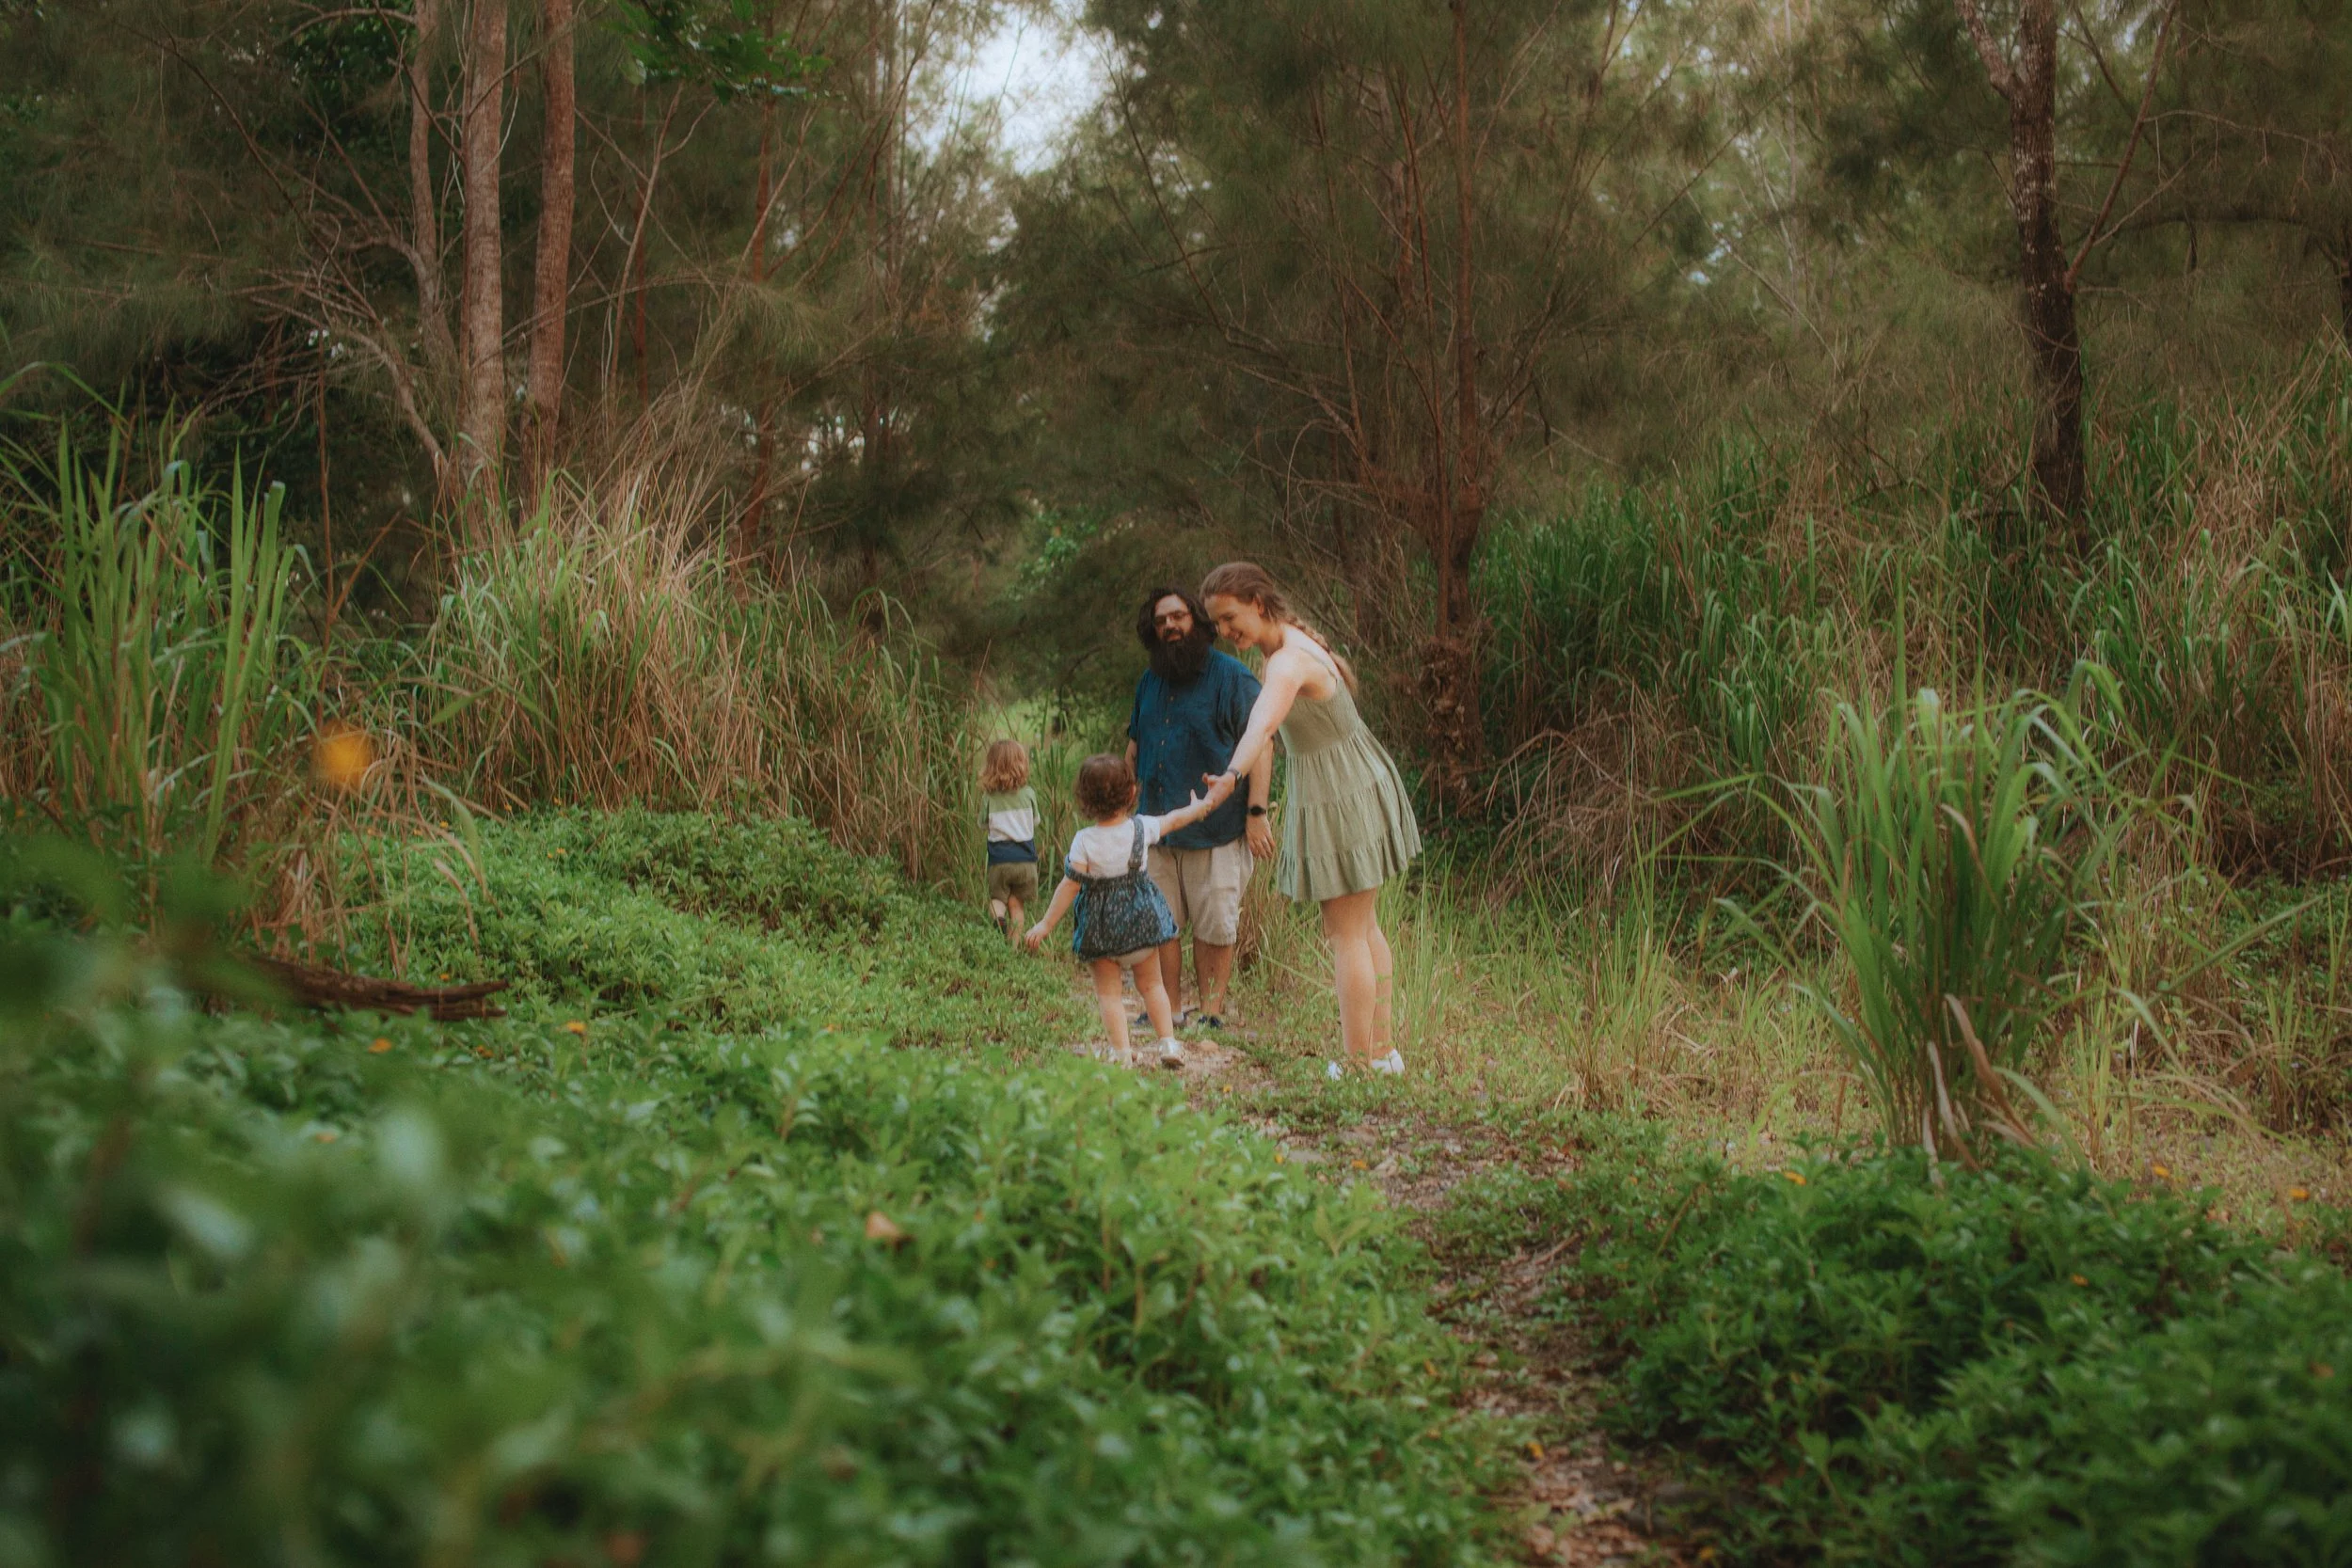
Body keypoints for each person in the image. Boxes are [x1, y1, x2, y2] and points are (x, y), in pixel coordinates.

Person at [1197, 562, 1420, 1077]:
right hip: (1353, 782)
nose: (1228, 633)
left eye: (1231, 618)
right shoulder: (1291, 643)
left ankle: (1361, 1063)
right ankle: (1382, 1054)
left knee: (1345, 934)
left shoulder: (1287, 662)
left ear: (1257, 601)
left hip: (1341, 792)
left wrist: (1231, 775)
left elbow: (1264, 722)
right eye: (1219, 625)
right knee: (1362, 928)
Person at [1125, 586, 1275, 1029]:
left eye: (1179, 616)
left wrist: (1256, 813)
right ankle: (1167, 1011)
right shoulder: (1150, 680)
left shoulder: (1231, 678)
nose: (1170, 626)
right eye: (1161, 621)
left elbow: (1262, 744)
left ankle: (1210, 1013)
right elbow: (1136, 741)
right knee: (1160, 925)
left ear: (1197, 621)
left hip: (1218, 829)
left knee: (1214, 927)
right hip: (1156, 829)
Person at [1025, 753, 1233, 1069]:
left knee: (1109, 995)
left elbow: (1070, 886)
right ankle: (1168, 1043)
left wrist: (1045, 923)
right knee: (1153, 986)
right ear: (1132, 793)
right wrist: (1200, 807)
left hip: (1102, 933)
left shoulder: (1084, 841)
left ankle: (1122, 1053)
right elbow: (1175, 819)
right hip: (1140, 926)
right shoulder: (1141, 828)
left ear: (1083, 800)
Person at [978, 739, 1039, 943]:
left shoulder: (989, 797)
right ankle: (1013, 948)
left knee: (997, 899)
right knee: (1017, 904)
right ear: (1021, 765)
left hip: (1000, 861)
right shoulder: (1029, 794)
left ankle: (998, 919)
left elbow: (983, 824)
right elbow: (1035, 821)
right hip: (1025, 861)